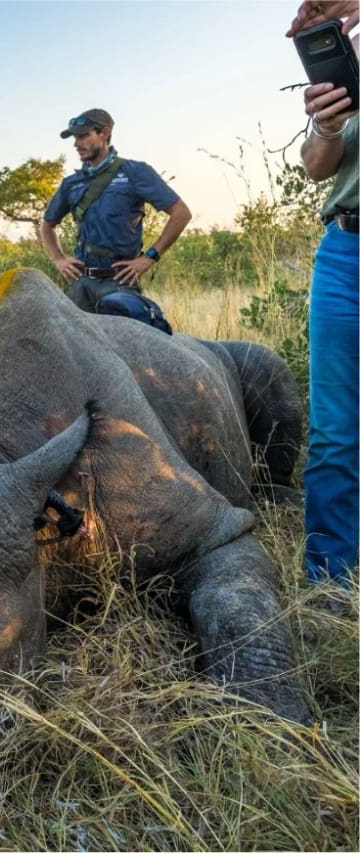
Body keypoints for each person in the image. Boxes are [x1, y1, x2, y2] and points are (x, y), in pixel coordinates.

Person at [288, 1, 359, 584]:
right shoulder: (342, 54)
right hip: (345, 251)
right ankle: (330, 581)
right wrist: (327, 127)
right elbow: (317, 167)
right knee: (335, 427)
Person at [39, 108, 192, 314]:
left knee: (126, 344)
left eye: (84, 136)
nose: (76, 144)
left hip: (119, 283)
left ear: (104, 133)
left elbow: (181, 213)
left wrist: (148, 258)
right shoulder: (71, 183)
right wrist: (58, 258)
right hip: (81, 284)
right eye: (75, 138)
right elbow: (47, 225)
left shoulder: (134, 172)